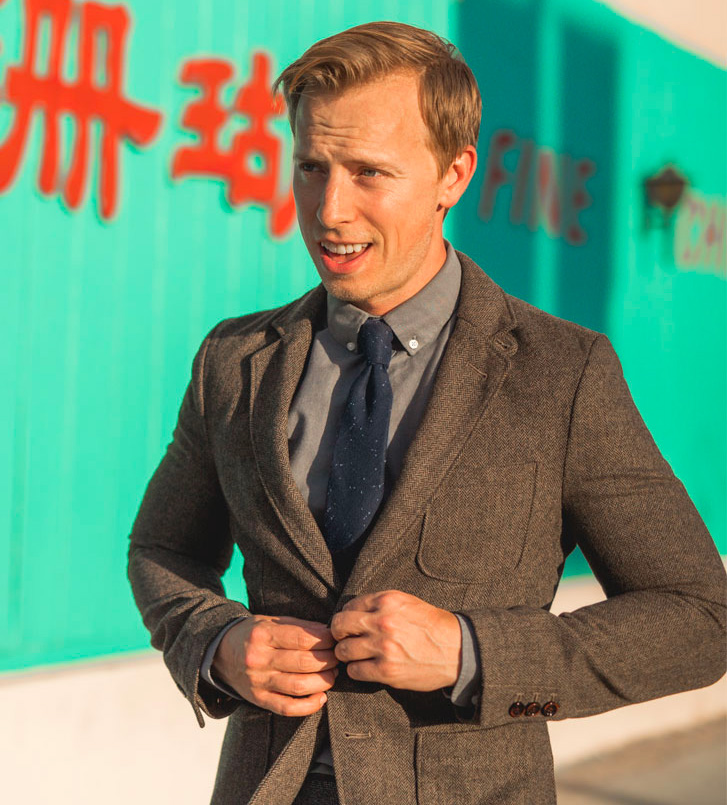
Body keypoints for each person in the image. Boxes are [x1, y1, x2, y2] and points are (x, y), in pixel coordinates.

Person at [127, 21, 726, 805]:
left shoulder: (561, 373)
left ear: (453, 174)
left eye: (369, 172)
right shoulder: (235, 361)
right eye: (311, 167)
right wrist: (215, 646)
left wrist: (472, 653)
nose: (329, 209)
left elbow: (697, 620)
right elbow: (163, 547)